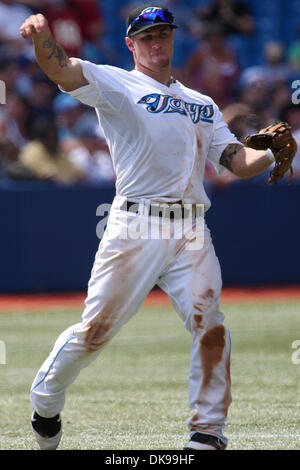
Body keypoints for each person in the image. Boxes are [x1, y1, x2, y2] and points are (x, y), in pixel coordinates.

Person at [20, 4, 278, 451]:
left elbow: (237, 162)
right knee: (94, 332)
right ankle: (45, 400)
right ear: (131, 44)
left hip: (192, 230)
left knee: (210, 323)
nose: (156, 43)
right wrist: (43, 37)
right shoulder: (117, 83)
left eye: (163, 34)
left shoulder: (202, 104)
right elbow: (60, 70)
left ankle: (207, 432)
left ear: (173, 39)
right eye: (147, 37)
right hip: (135, 224)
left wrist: (273, 151)